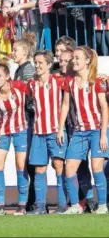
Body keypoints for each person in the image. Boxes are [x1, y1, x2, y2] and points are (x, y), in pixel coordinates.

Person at [57, 46, 109, 215]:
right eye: (74, 58)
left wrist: (103, 134)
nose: (74, 61)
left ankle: (102, 205)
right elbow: (65, 105)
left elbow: (104, 107)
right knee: (69, 168)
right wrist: (59, 129)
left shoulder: (97, 81)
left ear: (87, 60)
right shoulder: (70, 82)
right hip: (79, 132)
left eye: (78, 58)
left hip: (96, 130)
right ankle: (74, 206)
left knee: (96, 167)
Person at [0, 60, 29, 215]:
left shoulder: (20, 86)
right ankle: (0, 206)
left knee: (21, 166)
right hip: (1, 130)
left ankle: (22, 205)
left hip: (21, 129)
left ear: (8, 76)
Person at [27, 50, 68, 214]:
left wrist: (60, 128)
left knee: (59, 166)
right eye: (35, 63)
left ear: (49, 65)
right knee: (39, 169)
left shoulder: (59, 81)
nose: (37, 66)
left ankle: (63, 204)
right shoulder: (31, 84)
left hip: (55, 130)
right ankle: (41, 206)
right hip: (38, 132)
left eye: (40, 63)